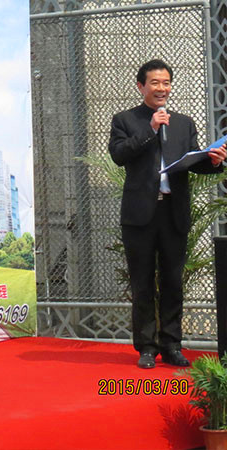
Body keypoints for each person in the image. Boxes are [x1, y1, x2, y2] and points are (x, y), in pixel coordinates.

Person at [109, 59, 226, 369]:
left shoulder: (184, 123)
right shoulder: (125, 120)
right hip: (140, 215)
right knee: (142, 283)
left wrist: (213, 161)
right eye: (155, 83)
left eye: (166, 83)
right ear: (141, 86)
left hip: (174, 211)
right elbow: (119, 155)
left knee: (173, 281)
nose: (161, 88)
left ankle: (172, 344)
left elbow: (193, 162)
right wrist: (150, 129)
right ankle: (146, 348)